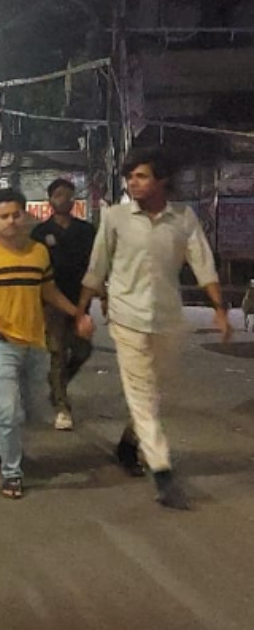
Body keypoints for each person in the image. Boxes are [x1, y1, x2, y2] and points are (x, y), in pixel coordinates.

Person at [76, 147, 231, 510]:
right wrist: (81, 311)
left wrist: (219, 309)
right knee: (142, 394)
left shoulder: (184, 218)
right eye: (130, 177)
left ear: (162, 180)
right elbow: (97, 266)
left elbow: (202, 264)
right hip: (126, 318)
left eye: (141, 176)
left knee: (156, 391)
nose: (133, 183)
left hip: (167, 319)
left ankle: (129, 442)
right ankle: (162, 472)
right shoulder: (115, 217)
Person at [0, 188, 86, 500]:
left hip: (35, 344)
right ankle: (12, 474)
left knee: (32, 412)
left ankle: (7, 439)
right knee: (10, 412)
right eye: (4, 216)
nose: (11, 221)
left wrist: (77, 314)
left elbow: (48, 290)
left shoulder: (38, 253)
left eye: (16, 215)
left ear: (25, 217)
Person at [30, 178, 95, 431]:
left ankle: (57, 383)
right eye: (58, 195)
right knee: (57, 352)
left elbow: (96, 265)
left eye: (68, 195)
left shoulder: (86, 231)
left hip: (80, 299)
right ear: (50, 200)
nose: (63, 199)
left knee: (82, 351)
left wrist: (102, 295)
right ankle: (62, 406)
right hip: (51, 301)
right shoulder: (40, 233)